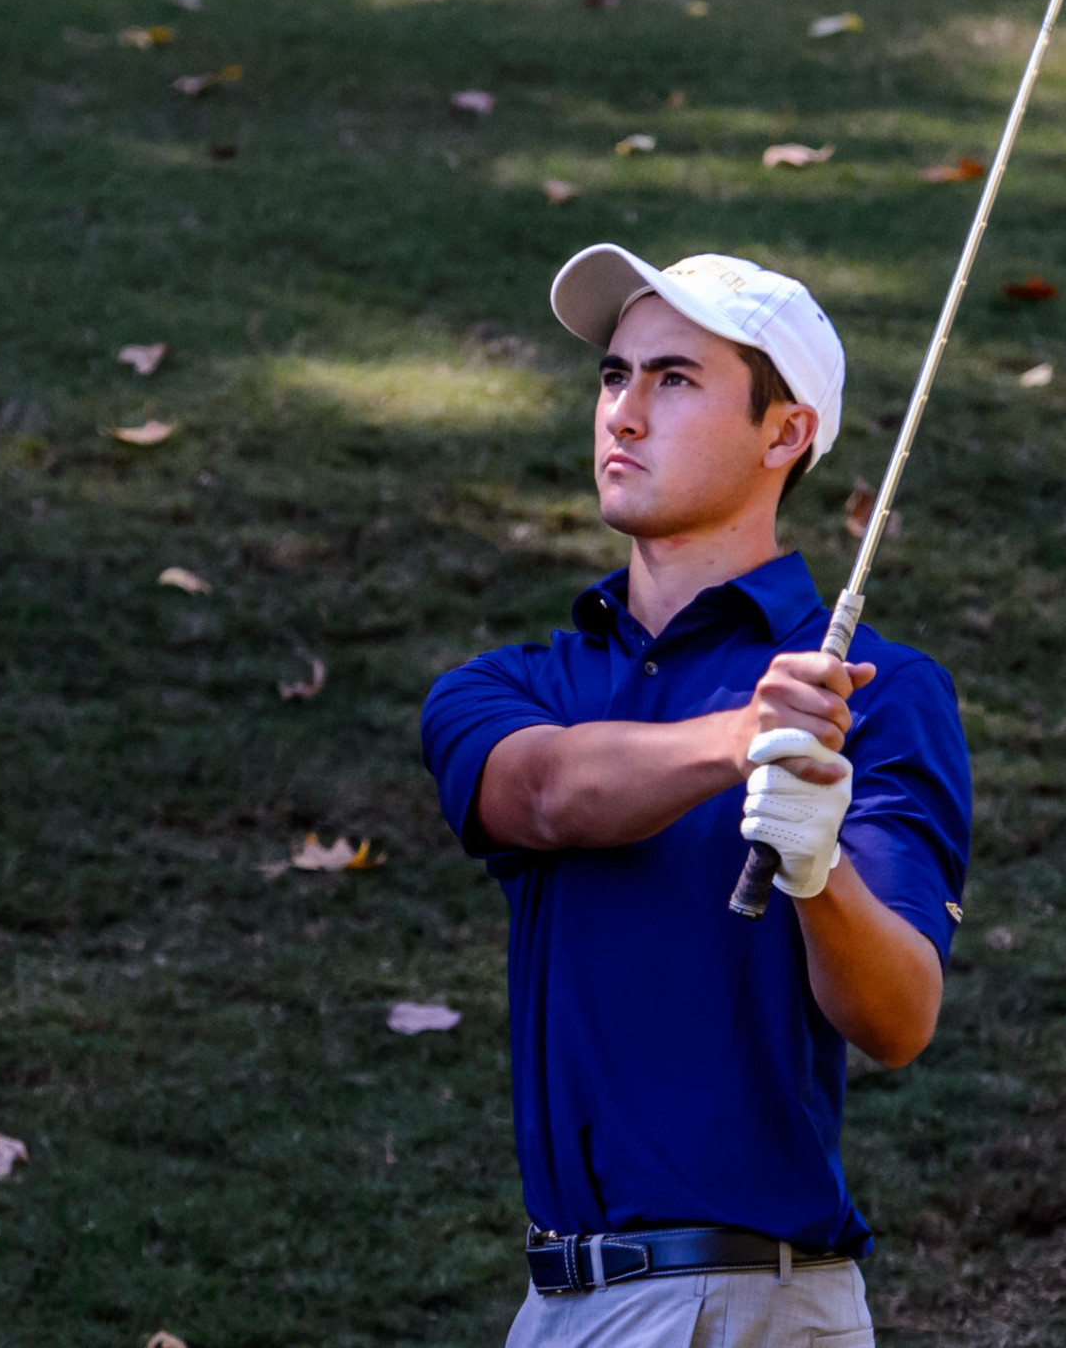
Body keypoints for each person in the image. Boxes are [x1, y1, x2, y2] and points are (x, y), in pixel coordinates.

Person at [421, 244, 974, 1348]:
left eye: (674, 380)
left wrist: (817, 877)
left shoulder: (878, 691)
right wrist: (737, 742)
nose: (623, 413)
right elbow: (541, 796)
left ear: (785, 432)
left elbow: (898, 1016)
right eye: (613, 376)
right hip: (557, 1307)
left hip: (749, 1304)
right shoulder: (516, 685)